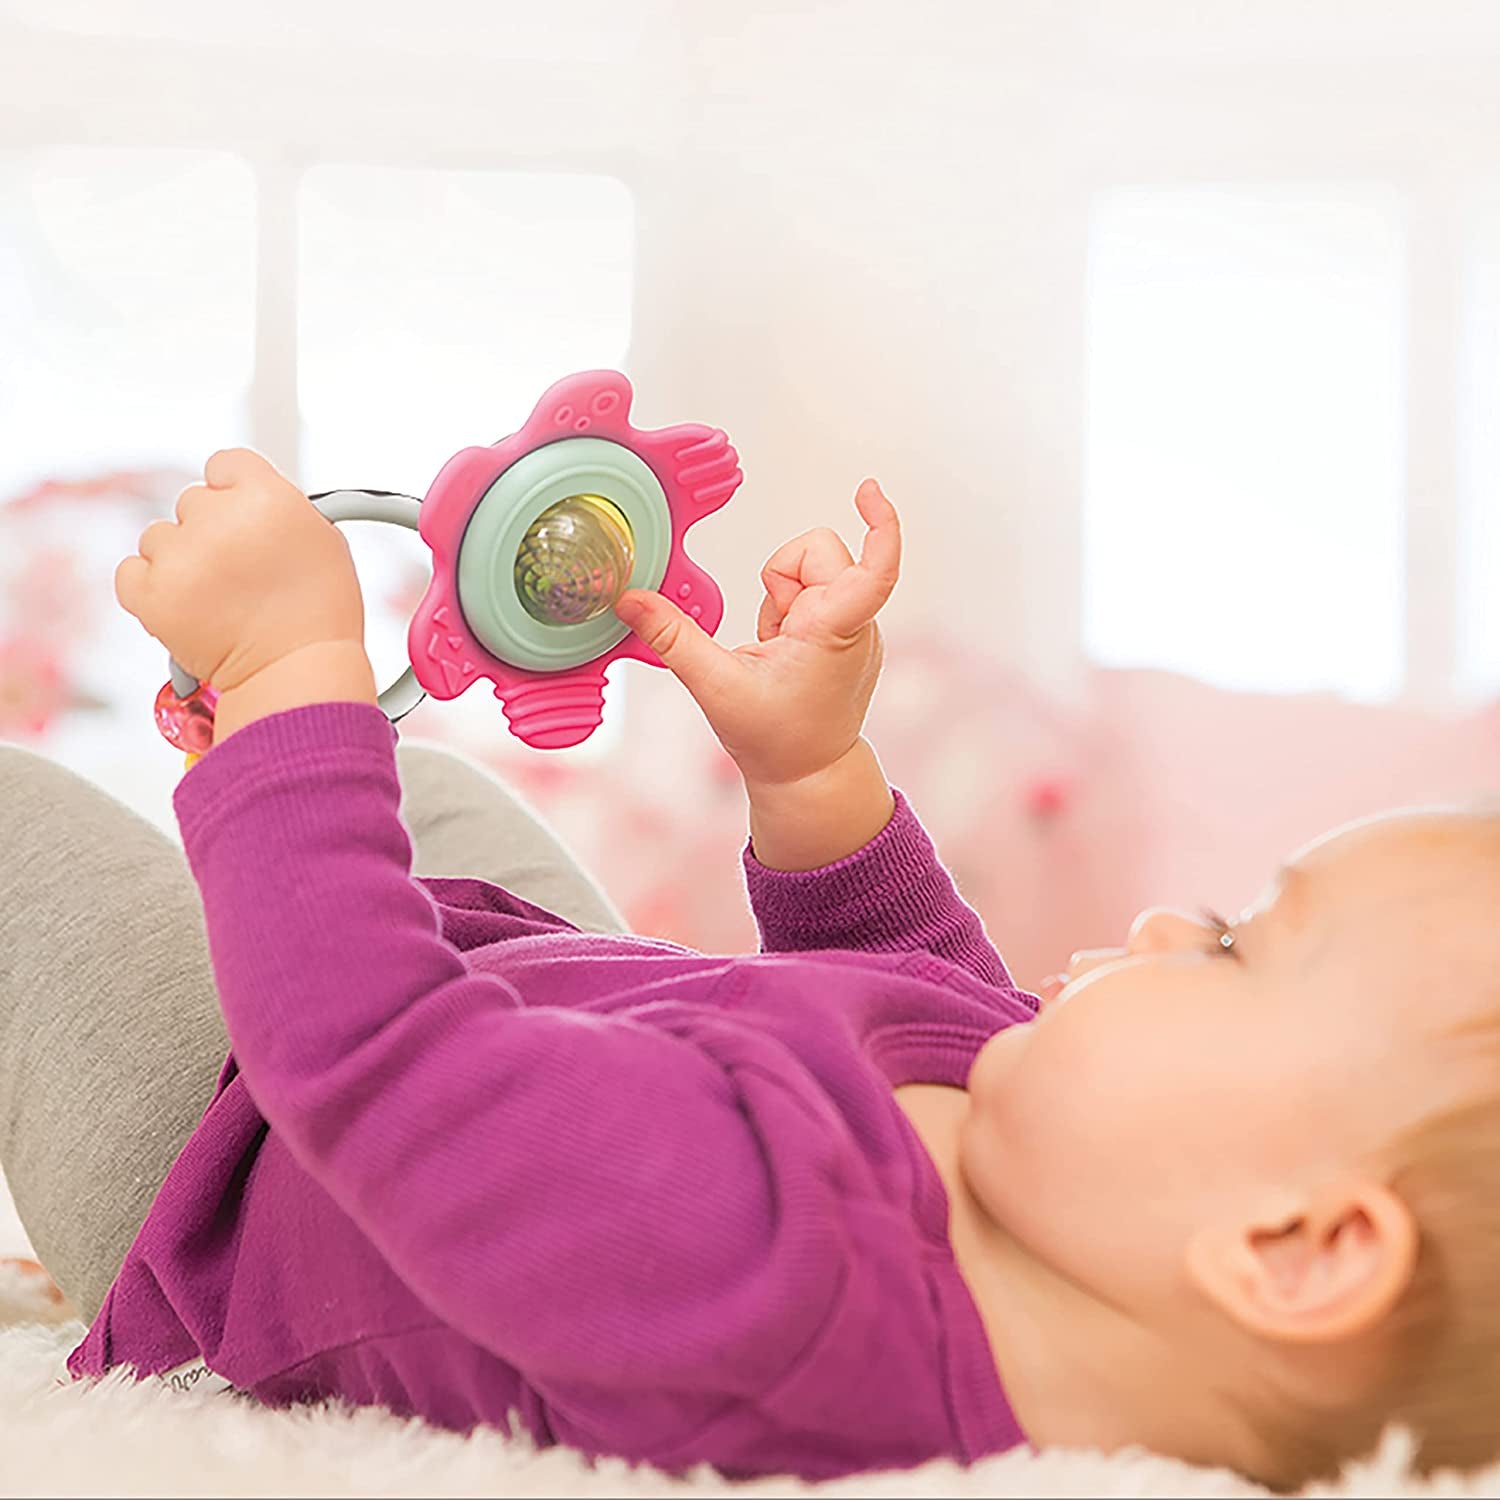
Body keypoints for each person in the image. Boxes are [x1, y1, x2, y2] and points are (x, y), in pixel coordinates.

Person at [0, 448, 1494, 1488]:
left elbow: (372, 1057)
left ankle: (294, 842)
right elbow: (915, 985)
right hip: (533, 1017)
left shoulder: (763, 1284)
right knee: (445, 804)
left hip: (244, 1156)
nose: (1175, 927)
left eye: (1236, 951)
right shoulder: (1067, 1185)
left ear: (1296, 1249)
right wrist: (814, 768)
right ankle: (336, 848)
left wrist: (284, 674)